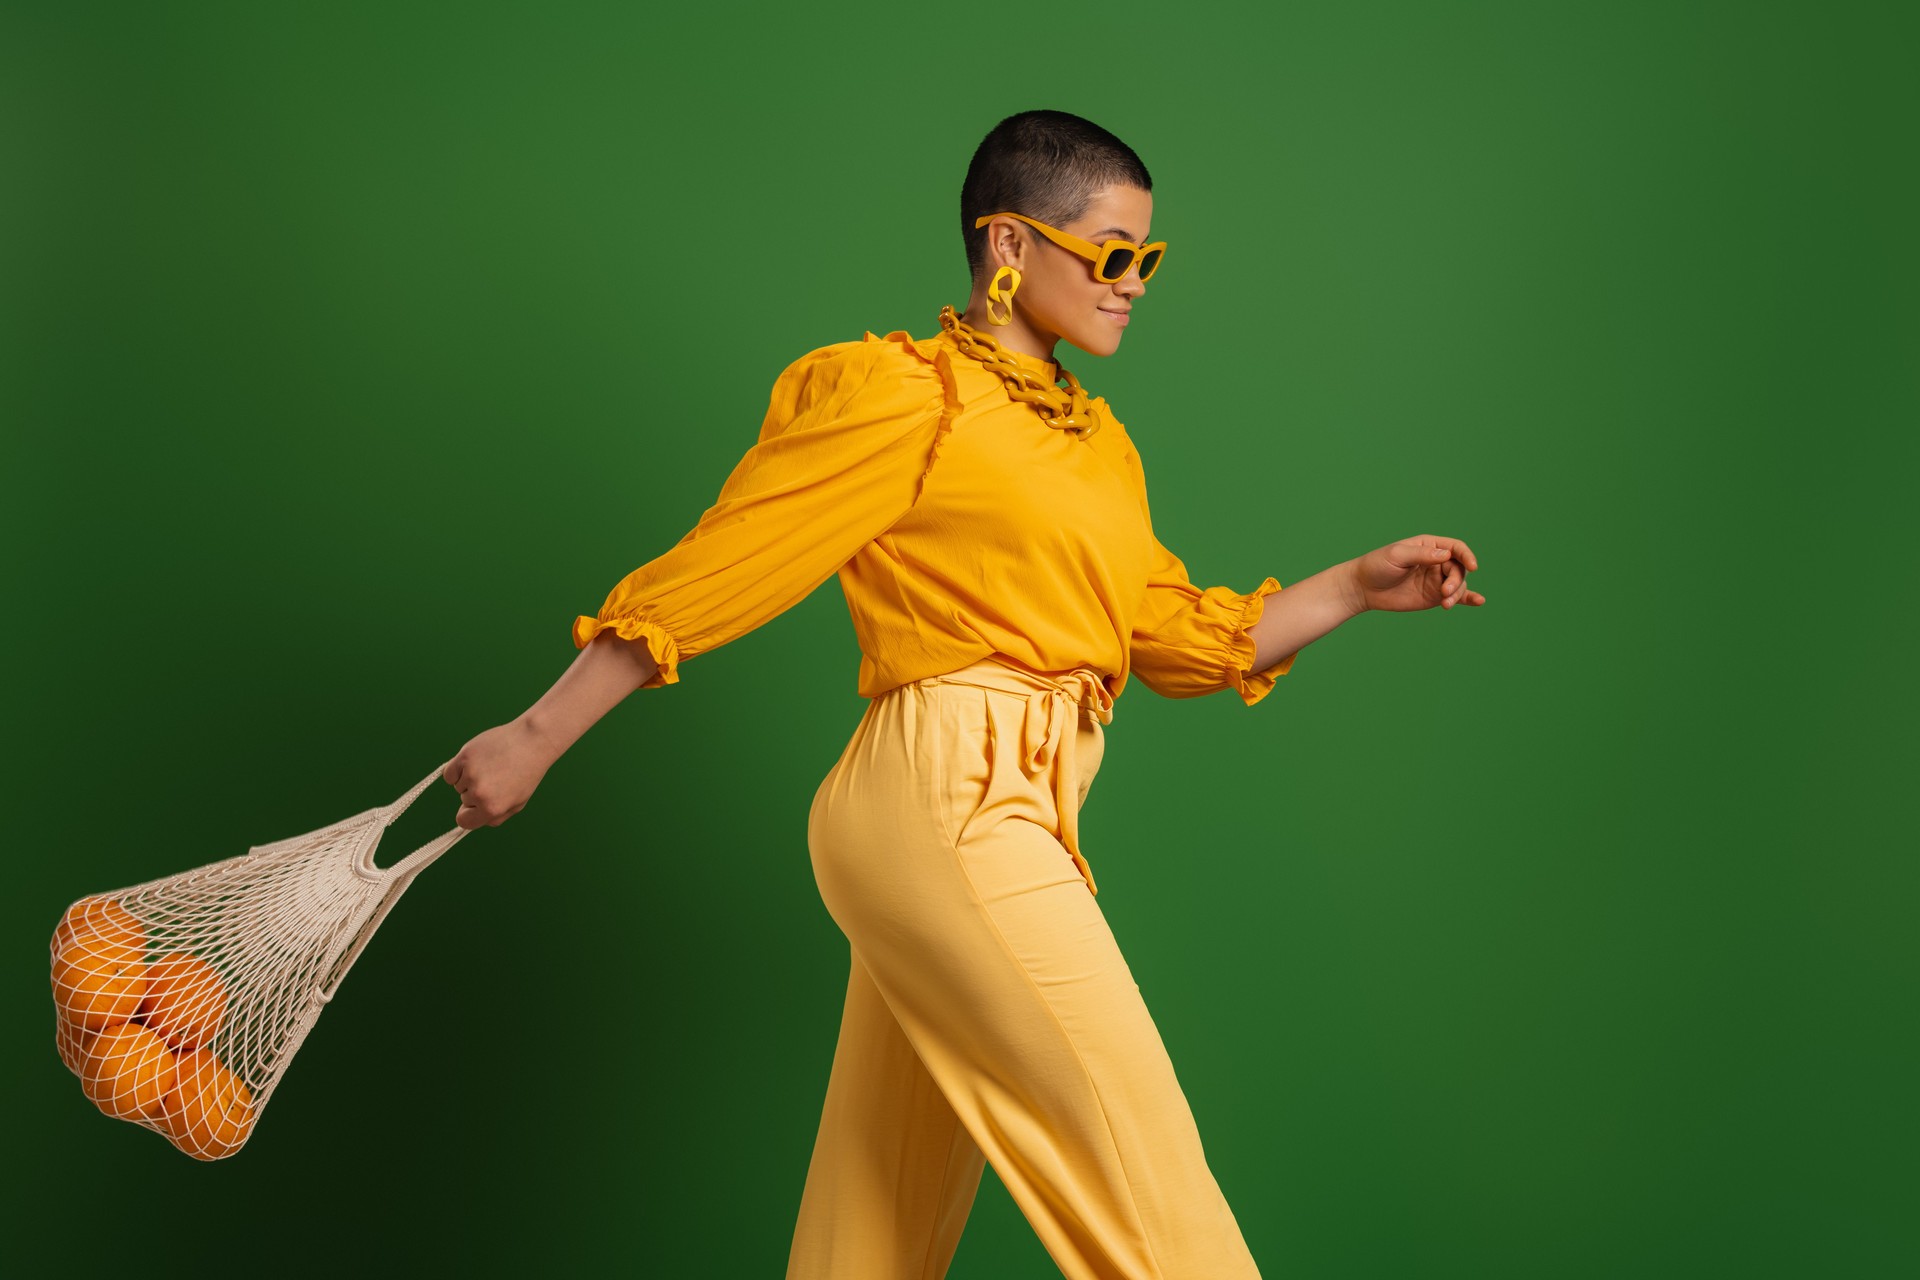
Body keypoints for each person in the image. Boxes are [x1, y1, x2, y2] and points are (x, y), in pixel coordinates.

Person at [443, 109, 1484, 1280]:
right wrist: (537, 734)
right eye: (1110, 252)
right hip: (945, 797)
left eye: (1147, 258)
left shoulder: (1099, 451)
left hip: (1019, 806)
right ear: (1008, 243)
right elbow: (732, 557)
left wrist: (1351, 584)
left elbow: (1176, 636)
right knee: (1142, 1155)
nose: (1132, 283)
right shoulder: (909, 394)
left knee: (876, 1214)